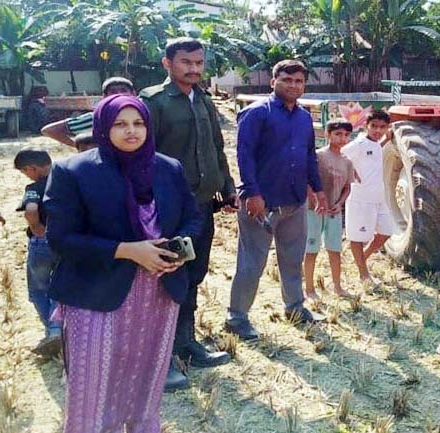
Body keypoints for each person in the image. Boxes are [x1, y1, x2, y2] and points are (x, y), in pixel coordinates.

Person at [44, 94, 201, 433]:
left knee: (145, 387)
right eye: (120, 124)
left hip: (158, 294)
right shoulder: (74, 171)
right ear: (102, 127)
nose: (131, 131)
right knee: (93, 392)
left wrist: (177, 251)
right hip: (98, 294)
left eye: (138, 123)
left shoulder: (168, 168)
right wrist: (127, 251)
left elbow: (192, 218)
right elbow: (61, 239)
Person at [140, 37, 236, 389]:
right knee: (162, 278)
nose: (194, 69)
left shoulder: (205, 100)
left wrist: (226, 187)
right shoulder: (152, 102)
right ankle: (159, 358)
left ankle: (186, 343)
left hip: (200, 205)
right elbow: (140, 154)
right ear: (167, 64)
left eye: (198, 62)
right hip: (165, 208)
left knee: (193, 273)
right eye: (186, 62)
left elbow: (216, 147)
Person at [225, 59, 327, 342]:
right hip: (262, 203)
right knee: (251, 262)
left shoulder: (305, 117)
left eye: (299, 81)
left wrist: (316, 189)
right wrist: (252, 193)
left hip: (294, 202)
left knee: (293, 259)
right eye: (287, 80)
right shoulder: (257, 113)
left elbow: (309, 156)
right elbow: (243, 155)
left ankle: (294, 307)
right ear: (273, 82)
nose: (293, 85)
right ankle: (237, 317)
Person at [14, 149, 61, 356]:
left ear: (31, 168)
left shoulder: (34, 187)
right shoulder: (65, 180)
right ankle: (60, 328)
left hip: (42, 243)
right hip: (65, 241)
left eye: (25, 172)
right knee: (61, 286)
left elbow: (31, 210)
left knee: (39, 289)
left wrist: (36, 228)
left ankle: (52, 331)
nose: (27, 176)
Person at [342, 109, 394, 291]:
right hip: (359, 199)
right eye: (374, 126)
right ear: (366, 126)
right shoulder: (358, 144)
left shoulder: (376, 144)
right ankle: (364, 275)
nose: (377, 130)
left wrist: (387, 139)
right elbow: (340, 154)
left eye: (382, 127)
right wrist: (350, 172)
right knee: (357, 238)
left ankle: (362, 258)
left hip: (378, 198)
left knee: (387, 232)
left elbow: (376, 148)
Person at [304, 119, 356, 299]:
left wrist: (339, 204)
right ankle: (309, 289)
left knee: (335, 250)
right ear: (327, 135)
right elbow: (307, 182)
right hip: (314, 211)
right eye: (338, 134)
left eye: (346, 135)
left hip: (334, 212)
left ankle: (338, 287)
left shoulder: (347, 161)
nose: (342, 139)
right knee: (311, 250)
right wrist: (316, 200)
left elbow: (347, 187)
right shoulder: (317, 156)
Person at [40, 77, 135, 149]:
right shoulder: (97, 118)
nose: (119, 94)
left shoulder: (146, 114)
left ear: (133, 94)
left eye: (123, 90)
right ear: (104, 96)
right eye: (113, 91)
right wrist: (77, 145)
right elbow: (48, 130)